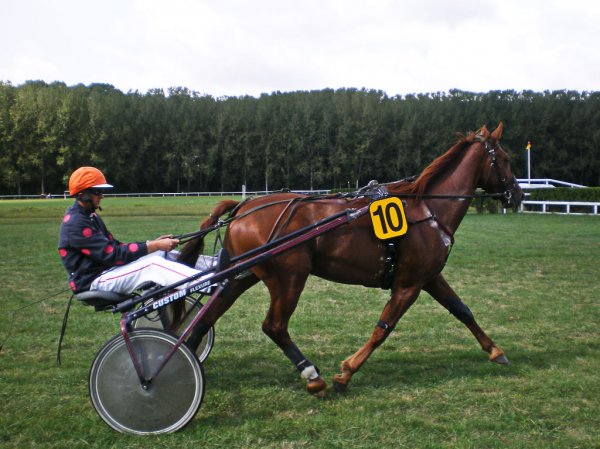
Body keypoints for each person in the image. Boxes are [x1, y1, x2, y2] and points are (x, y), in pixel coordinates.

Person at [58, 166, 213, 294]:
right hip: (93, 280)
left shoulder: (89, 216)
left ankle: (216, 266)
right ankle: (210, 283)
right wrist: (153, 245)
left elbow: (115, 247)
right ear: (82, 194)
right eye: (97, 192)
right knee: (153, 265)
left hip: (106, 270)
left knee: (160, 254)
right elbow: (113, 255)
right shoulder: (75, 224)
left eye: (102, 192)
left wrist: (153, 245)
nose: (102, 196)